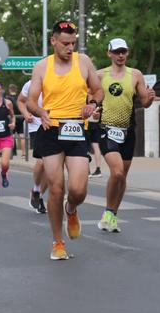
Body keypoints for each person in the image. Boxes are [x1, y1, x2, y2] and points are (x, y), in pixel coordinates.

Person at [26, 20, 104, 261]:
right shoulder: (41, 67)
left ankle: (72, 209)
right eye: (65, 43)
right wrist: (40, 113)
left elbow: (98, 91)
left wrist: (92, 104)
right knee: (56, 188)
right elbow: (30, 100)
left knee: (78, 189)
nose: (70, 48)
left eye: (73, 43)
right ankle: (57, 243)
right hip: (51, 129)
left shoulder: (84, 62)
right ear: (53, 41)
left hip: (77, 128)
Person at [96, 38, 156, 232]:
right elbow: (90, 98)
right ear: (109, 54)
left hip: (128, 130)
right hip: (106, 128)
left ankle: (112, 215)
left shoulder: (135, 75)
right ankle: (107, 211)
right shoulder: (99, 75)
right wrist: (93, 109)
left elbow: (144, 102)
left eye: (124, 52)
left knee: (122, 177)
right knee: (117, 171)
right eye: (117, 52)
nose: (120, 55)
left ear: (127, 53)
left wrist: (150, 98)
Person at [18, 79, 47, 214]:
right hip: (36, 126)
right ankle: (36, 188)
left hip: (55, 125)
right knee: (42, 161)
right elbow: (20, 101)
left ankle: (39, 195)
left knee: (53, 167)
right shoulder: (30, 83)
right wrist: (25, 114)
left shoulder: (60, 79)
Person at [86, 95, 103, 178]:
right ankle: (98, 169)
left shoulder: (86, 93)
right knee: (96, 146)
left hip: (87, 122)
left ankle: (88, 171)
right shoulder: (98, 95)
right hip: (95, 122)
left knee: (85, 146)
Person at [6, 83, 25, 154]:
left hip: (11, 118)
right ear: (16, 90)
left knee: (11, 135)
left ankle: (12, 152)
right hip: (20, 118)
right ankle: (24, 153)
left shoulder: (7, 99)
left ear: (9, 90)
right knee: (22, 135)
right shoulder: (19, 98)